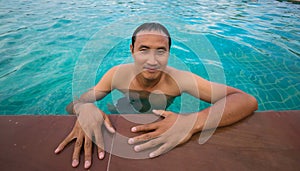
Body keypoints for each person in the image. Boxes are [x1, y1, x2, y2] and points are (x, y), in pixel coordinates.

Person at [54, 22, 258, 169]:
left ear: (169, 53)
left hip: (158, 111)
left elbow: (247, 100)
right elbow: (76, 102)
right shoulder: (116, 75)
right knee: (115, 109)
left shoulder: (181, 79)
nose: (152, 60)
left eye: (161, 51)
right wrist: (84, 108)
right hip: (128, 105)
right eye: (144, 49)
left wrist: (192, 122)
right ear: (132, 50)